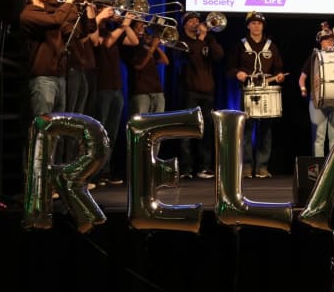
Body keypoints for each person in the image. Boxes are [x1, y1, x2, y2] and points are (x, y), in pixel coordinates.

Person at [19, 0, 91, 119]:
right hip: (43, 78)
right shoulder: (27, 13)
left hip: (59, 76)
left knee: (58, 129)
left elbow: (78, 33)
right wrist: (70, 0)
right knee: (44, 128)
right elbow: (55, 20)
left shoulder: (48, 12)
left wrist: (80, 3)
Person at [228, 11, 286, 178]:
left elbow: (278, 68)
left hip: (267, 91)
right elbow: (230, 68)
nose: (256, 26)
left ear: (262, 26)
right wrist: (237, 73)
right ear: (248, 26)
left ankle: (262, 166)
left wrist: (280, 76)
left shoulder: (271, 46)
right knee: (247, 129)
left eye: (259, 23)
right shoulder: (240, 45)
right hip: (248, 91)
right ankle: (246, 167)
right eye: (253, 23)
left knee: (266, 130)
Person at [93, 9, 139, 186]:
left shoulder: (113, 30)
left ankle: (105, 171)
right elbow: (106, 43)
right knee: (100, 130)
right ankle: (94, 173)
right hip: (102, 86)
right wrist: (124, 24)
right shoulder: (95, 29)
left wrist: (125, 25)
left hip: (116, 87)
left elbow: (134, 41)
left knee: (111, 132)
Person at [177, 12, 225, 180]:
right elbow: (192, 59)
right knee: (188, 130)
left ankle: (204, 167)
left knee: (207, 130)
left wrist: (207, 39)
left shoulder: (208, 40)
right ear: (185, 25)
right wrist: (199, 39)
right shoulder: (181, 41)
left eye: (197, 20)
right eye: (192, 21)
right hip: (190, 91)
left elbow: (219, 55)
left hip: (207, 91)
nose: (196, 23)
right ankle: (186, 169)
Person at [298, 21, 334, 157]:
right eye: (327, 40)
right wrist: (303, 89)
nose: (330, 43)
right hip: (318, 101)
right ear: (321, 42)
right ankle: (319, 167)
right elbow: (302, 78)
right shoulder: (313, 58)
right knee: (319, 138)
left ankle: (332, 167)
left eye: (332, 40)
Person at [122, 18, 170, 115]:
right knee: (141, 124)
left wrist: (156, 47)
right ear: (131, 29)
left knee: (157, 125)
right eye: (137, 26)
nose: (141, 29)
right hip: (140, 91)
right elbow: (139, 66)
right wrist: (152, 48)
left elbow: (165, 61)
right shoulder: (130, 47)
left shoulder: (147, 45)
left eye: (142, 26)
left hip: (157, 90)